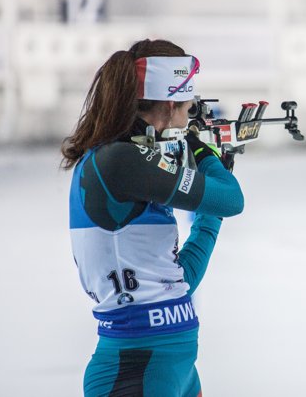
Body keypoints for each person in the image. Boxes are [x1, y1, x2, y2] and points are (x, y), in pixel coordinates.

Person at [61, 39, 244, 397]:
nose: (191, 113)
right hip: (136, 370)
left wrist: (210, 211)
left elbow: (177, 284)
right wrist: (202, 150)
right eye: (189, 107)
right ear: (171, 101)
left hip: (172, 365)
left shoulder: (126, 160)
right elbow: (232, 198)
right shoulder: (120, 161)